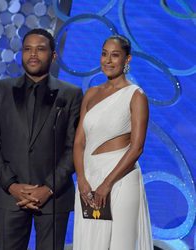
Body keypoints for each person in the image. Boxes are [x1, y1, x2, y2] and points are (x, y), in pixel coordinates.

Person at [0, 28, 83, 250]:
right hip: (9, 196)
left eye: (40, 49)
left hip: (53, 198)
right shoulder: (0, 90)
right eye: (27, 49)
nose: (33, 55)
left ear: (53, 55)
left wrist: (48, 187)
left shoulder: (71, 93)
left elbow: (74, 146)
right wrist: (12, 185)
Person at [73, 35, 153, 250]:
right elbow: (79, 141)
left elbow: (137, 147)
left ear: (127, 59)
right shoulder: (90, 94)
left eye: (115, 55)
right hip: (89, 180)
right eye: (104, 53)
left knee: (120, 244)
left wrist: (107, 184)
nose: (108, 60)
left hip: (120, 179)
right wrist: (81, 179)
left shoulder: (136, 96)